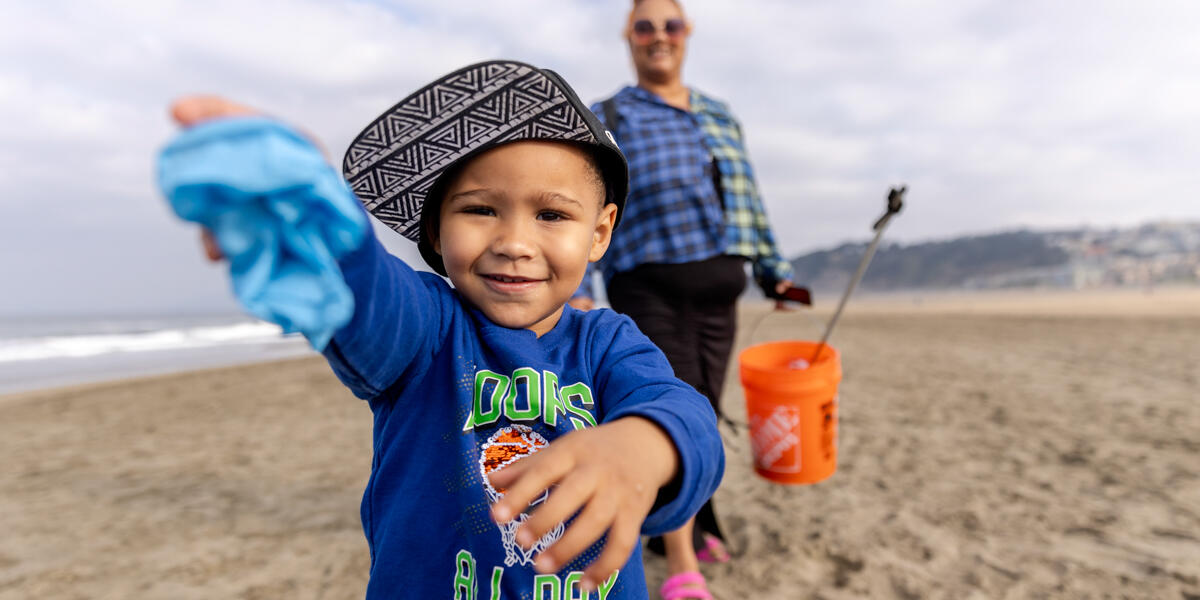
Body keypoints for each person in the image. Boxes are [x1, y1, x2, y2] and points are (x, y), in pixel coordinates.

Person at [160, 61, 724, 599]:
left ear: (599, 234)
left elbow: (685, 412)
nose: (515, 242)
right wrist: (320, 223)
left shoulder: (608, 343)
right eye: (481, 210)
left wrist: (644, 444)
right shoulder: (427, 330)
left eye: (552, 215)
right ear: (434, 228)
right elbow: (367, 295)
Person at [569, 1, 795, 597]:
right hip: (649, 284)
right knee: (676, 401)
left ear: (687, 34)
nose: (659, 36)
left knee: (708, 411)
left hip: (722, 285)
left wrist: (775, 272)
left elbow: (748, 200)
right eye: (645, 26)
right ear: (629, 37)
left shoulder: (720, 113)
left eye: (671, 24)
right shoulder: (607, 115)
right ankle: (682, 564)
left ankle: (694, 524)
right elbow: (590, 209)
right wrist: (580, 290)